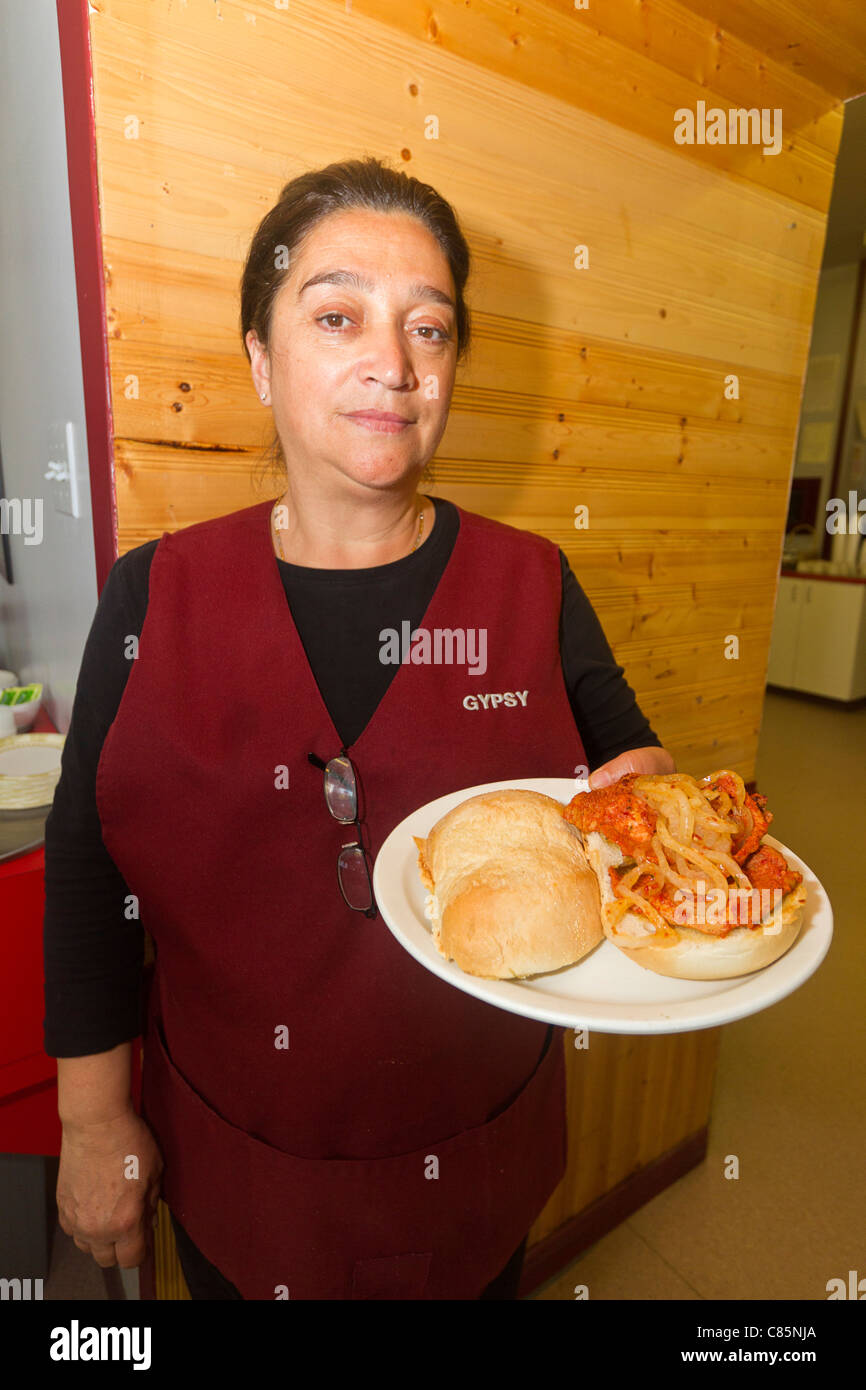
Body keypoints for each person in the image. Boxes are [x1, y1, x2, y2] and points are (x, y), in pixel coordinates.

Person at [44, 156, 675, 1301]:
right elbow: (89, 878)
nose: (392, 363)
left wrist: (659, 825)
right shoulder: (151, 598)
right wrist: (92, 1122)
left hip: (478, 1163)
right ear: (258, 356)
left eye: (428, 331)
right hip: (239, 1176)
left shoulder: (531, 583)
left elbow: (626, 769)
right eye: (336, 315)